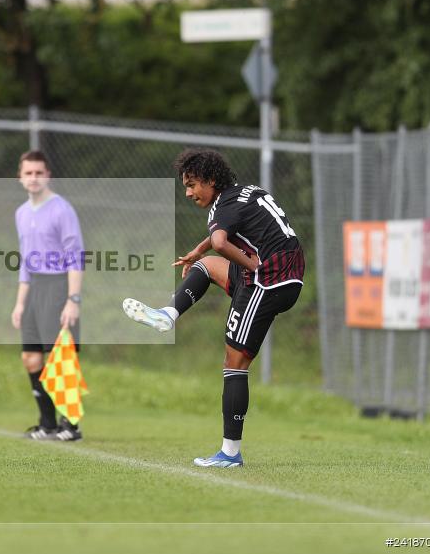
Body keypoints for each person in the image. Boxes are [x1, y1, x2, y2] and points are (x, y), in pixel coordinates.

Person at [123, 148, 304, 467]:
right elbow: (221, 240)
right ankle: (168, 315)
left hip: (269, 280)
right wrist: (198, 248)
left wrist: (249, 263)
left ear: (211, 179)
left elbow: (222, 241)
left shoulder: (224, 205)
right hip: (287, 273)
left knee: (235, 362)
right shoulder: (244, 193)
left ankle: (230, 455)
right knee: (207, 265)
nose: (189, 193)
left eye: (192, 185)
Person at [11, 150, 85, 442]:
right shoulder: (20, 212)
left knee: (60, 356)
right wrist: (19, 303)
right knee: (31, 357)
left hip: (58, 287)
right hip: (33, 289)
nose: (33, 178)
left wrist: (73, 299)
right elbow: (26, 262)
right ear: (20, 176)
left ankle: (71, 424)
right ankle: (47, 423)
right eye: (28, 173)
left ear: (48, 175)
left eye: (39, 172)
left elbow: (75, 256)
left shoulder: (61, 209)